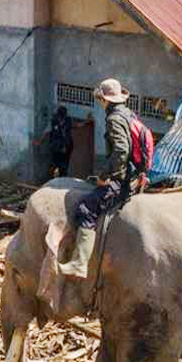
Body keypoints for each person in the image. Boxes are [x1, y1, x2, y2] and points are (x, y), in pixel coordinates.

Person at [58, 78, 134, 279]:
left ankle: (79, 264)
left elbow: (121, 151)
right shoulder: (128, 114)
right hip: (131, 176)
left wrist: (104, 176)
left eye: (100, 98)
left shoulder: (114, 119)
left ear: (104, 99)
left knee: (86, 209)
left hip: (120, 180)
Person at [35, 106, 75, 177]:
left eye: (62, 117)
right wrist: (39, 142)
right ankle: (53, 179)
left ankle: (62, 178)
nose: (60, 119)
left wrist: (87, 121)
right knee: (54, 164)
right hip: (56, 148)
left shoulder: (68, 121)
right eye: (60, 117)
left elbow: (76, 125)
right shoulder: (53, 122)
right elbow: (46, 133)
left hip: (66, 148)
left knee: (64, 166)